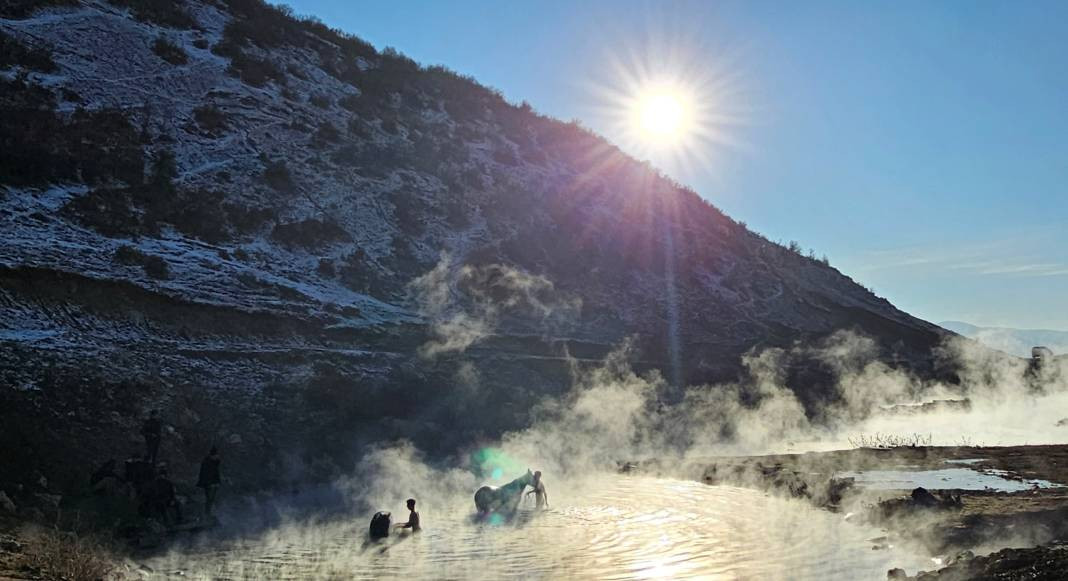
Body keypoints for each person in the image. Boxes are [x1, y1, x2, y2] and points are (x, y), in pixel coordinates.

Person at [196, 446, 221, 517]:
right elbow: (206, 474)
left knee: (211, 499)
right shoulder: (207, 463)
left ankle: (209, 513)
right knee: (209, 499)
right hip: (209, 484)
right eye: (216, 455)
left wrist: (216, 482)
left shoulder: (213, 462)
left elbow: (215, 473)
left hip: (213, 483)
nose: (218, 456)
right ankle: (207, 514)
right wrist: (211, 483)